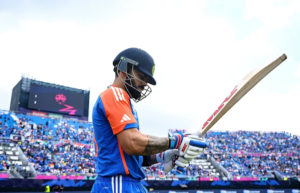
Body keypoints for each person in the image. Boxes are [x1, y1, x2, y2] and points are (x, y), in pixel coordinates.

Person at [91, 48, 206, 193]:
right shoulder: (114, 94)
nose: (145, 84)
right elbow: (132, 144)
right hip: (117, 184)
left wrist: (163, 155)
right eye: (141, 76)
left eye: (147, 80)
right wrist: (176, 141)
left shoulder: (124, 102)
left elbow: (135, 156)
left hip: (128, 183)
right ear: (123, 70)